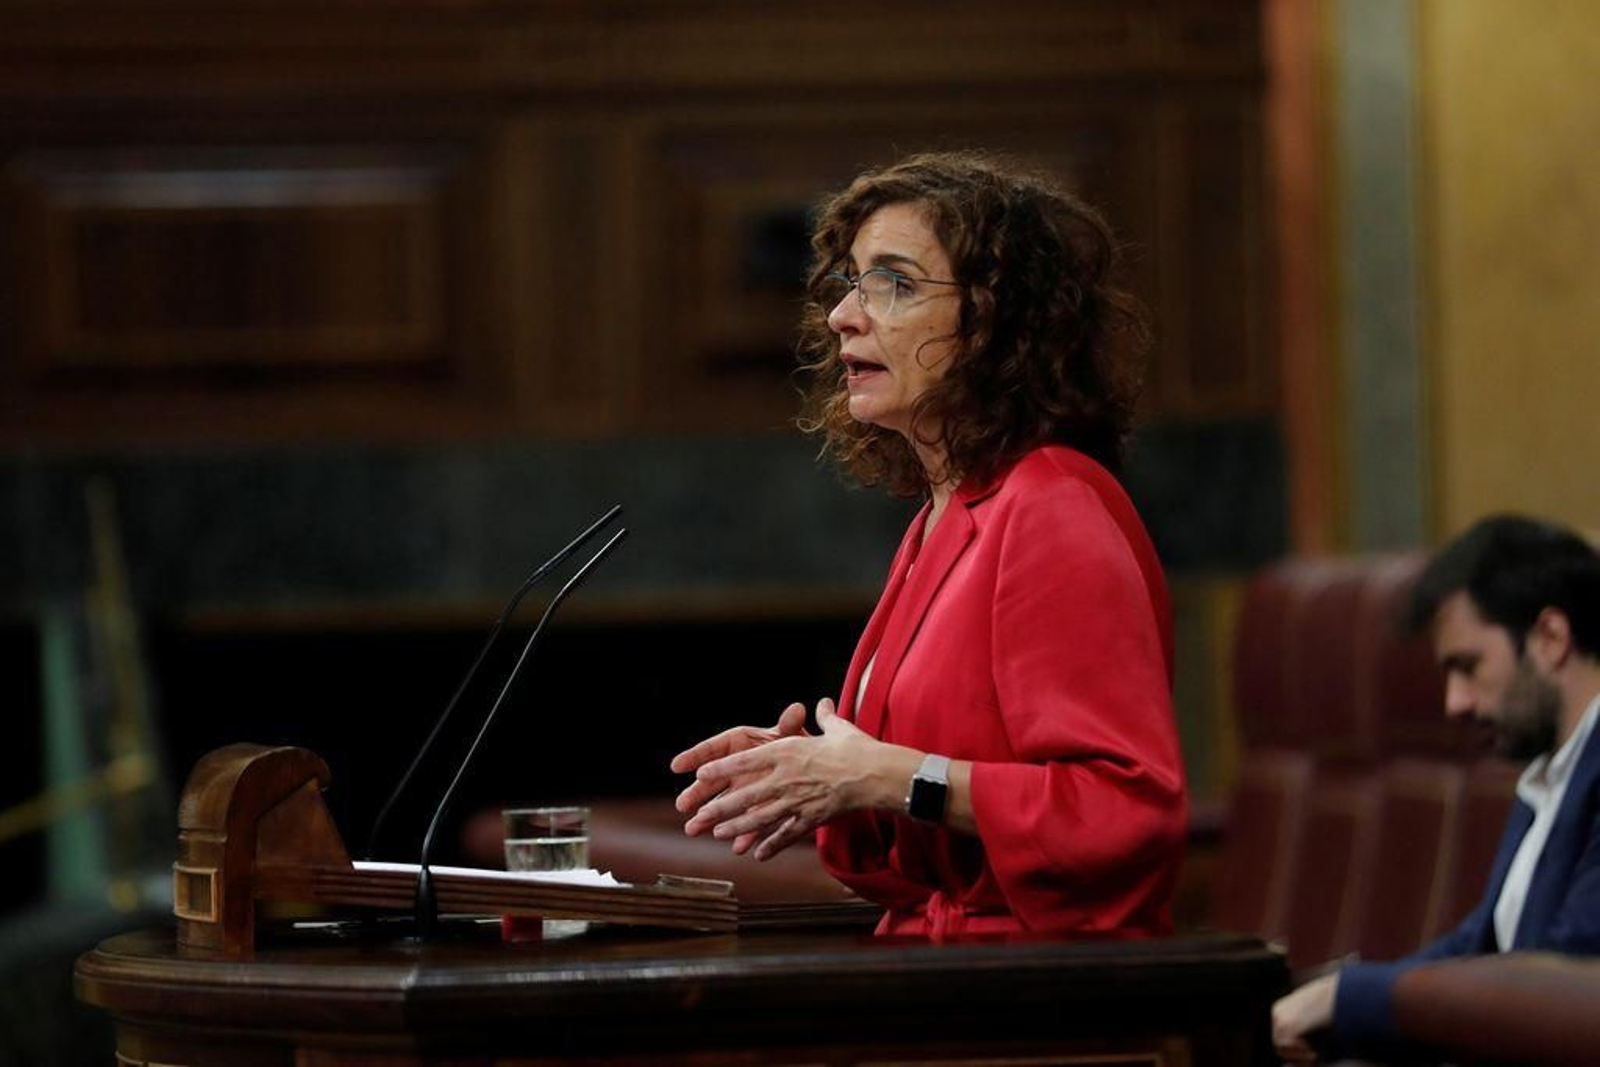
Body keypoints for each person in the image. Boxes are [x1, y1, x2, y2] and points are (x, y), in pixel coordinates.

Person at [669, 152, 1187, 938]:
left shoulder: (1051, 508)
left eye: (896, 283)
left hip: (1040, 1002)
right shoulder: (944, 515)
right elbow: (921, 818)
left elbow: (1125, 810)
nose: (845, 314)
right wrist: (817, 772)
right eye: (850, 281)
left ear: (995, 322)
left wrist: (886, 774)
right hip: (938, 972)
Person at [1273, 514, 1600, 1062]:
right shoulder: (1552, 772)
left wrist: (1348, 998)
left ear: (1550, 638)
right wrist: (1332, 1002)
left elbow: (1565, 973)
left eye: (1469, 667)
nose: (1456, 702)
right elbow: (1478, 946)